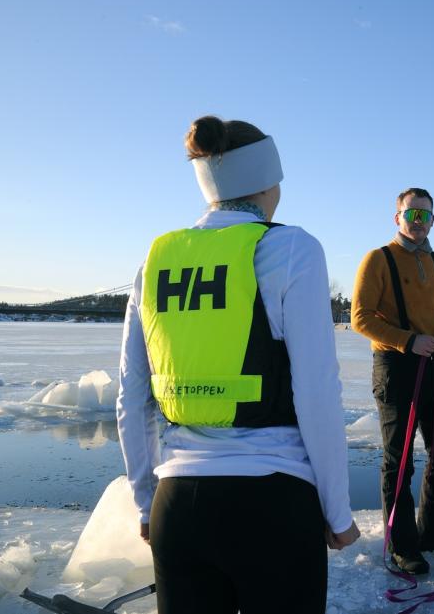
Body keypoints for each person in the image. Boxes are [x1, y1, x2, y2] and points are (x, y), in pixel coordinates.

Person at [116, 116, 359, 614]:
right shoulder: (292, 249)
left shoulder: (155, 260)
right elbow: (317, 392)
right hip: (274, 504)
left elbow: (132, 396)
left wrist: (145, 502)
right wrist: (337, 512)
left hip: (177, 507)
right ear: (269, 181)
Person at [351, 187, 434, 575]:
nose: (419, 222)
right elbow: (360, 318)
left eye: (426, 215)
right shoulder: (379, 259)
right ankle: (403, 545)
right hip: (394, 366)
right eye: (411, 214)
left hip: (432, 364)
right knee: (398, 460)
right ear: (397, 217)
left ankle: (433, 530)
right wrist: (407, 340)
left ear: (433, 220)